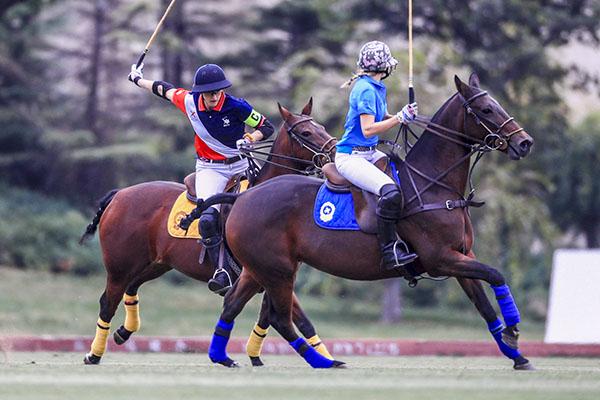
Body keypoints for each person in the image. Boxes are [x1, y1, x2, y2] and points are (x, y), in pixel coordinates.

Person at [128, 62, 275, 295]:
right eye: (209, 93)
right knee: (208, 218)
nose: (214, 96)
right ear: (200, 93)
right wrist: (137, 79)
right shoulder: (189, 102)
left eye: (217, 91)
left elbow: (267, 127)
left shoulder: (237, 106)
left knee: (263, 209)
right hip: (210, 169)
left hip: (240, 165)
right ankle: (222, 270)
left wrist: (251, 138)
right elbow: (163, 89)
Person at [336, 41, 418, 269]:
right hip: (351, 157)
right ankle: (389, 250)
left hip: (370, 153)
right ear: (385, 67)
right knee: (390, 192)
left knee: (405, 179)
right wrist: (399, 118)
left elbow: (381, 117)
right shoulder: (364, 89)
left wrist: (406, 115)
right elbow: (368, 129)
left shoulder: (374, 86)